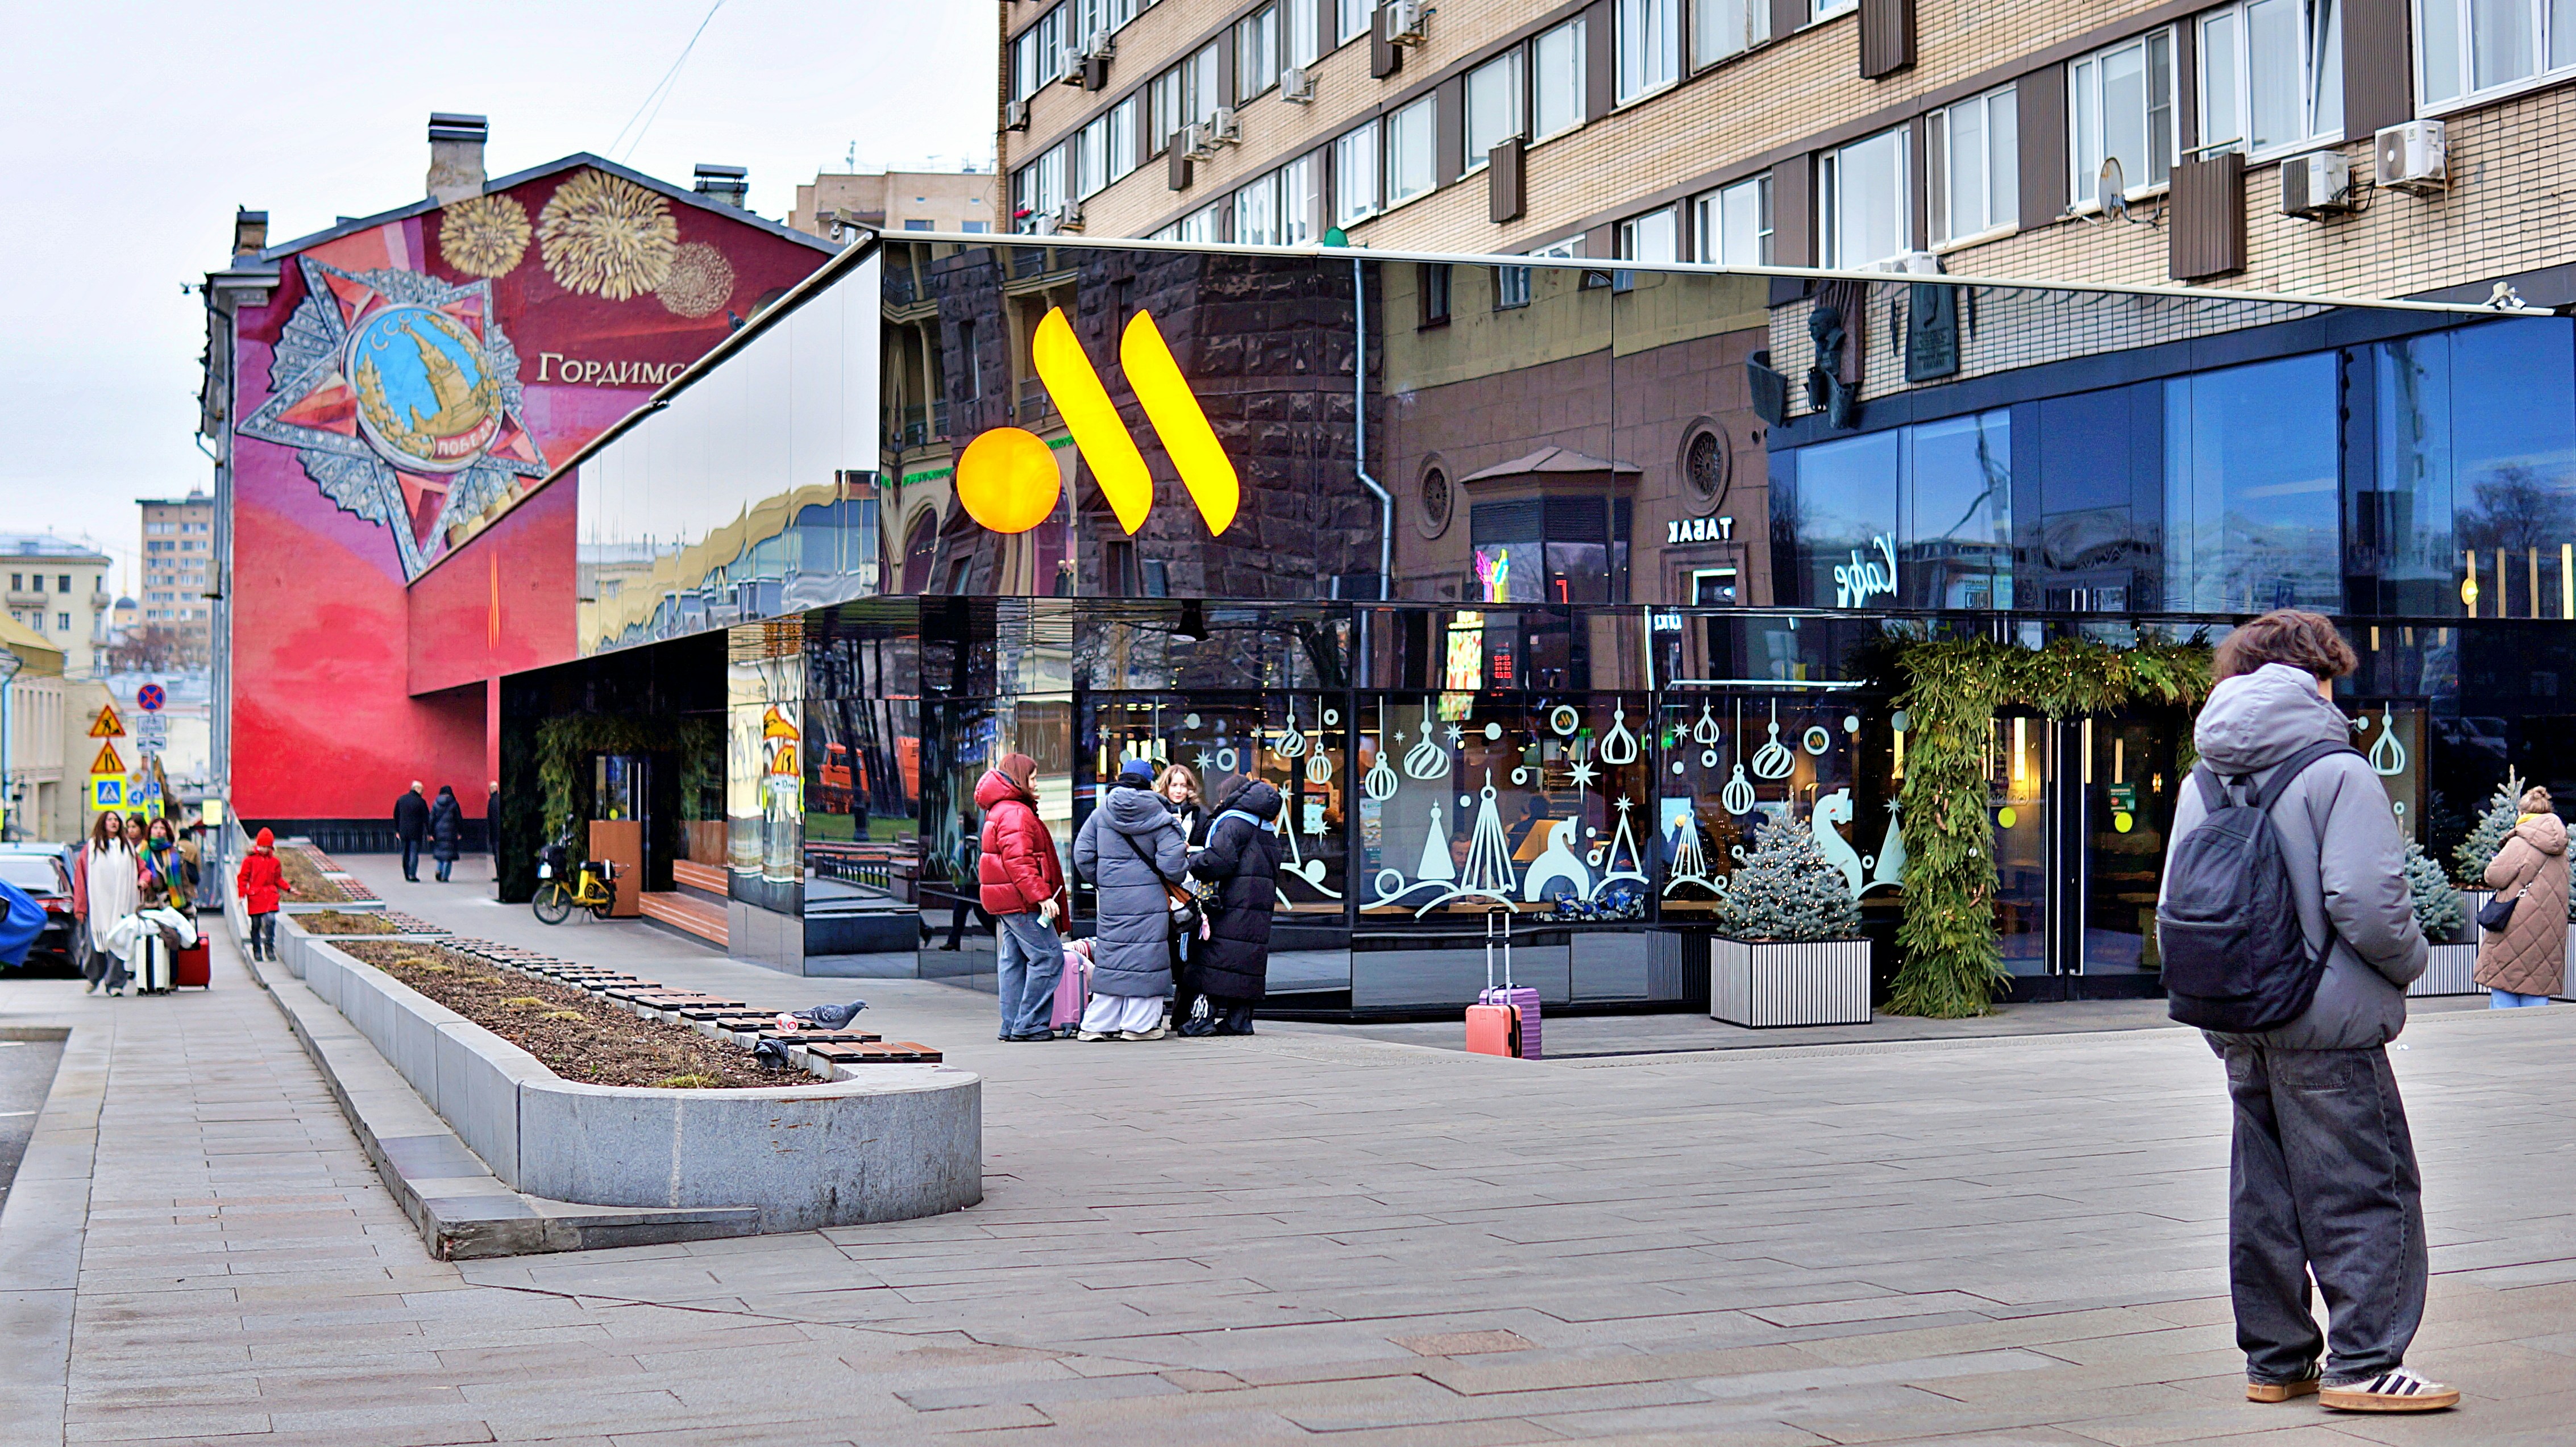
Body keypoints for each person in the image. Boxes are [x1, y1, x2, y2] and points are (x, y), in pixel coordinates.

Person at [2160, 610, 2454, 1413]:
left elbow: (2173, 904)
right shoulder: (2337, 769)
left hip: (2237, 1016)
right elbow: (2366, 901)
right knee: (2365, 1186)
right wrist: (2412, 961)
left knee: (2264, 1194)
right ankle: (2364, 1361)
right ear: (2317, 676)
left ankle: (2277, 1360)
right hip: (2324, 1022)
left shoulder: (2203, 775)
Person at [1071, 760, 1189, 1041]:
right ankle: (1139, 1026)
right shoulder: (1161, 815)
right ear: (1149, 783)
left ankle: (1097, 1024)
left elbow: (1082, 855)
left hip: (1113, 900)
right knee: (1146, 958)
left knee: (1112, 959)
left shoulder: (1101, 813)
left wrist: (1105, 882)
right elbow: (1173, 867)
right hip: (1149, 901)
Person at [975, 752, 1066, 1042]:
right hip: (1021, 901)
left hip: (1008, 899)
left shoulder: (1002, 809)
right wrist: (1042, 897)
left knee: (1013, 961)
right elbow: (1020, 863)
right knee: (1050, 958)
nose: (1036, 783)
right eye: (1033, 778)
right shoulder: (1015, 812)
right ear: (1019, 778)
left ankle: (1012, 1023)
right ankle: (1029, 1024)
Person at [1183, 778, 1284, 1036]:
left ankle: (1201, 1021)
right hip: (1256, 908)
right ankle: (1240, 1021)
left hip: (1228, 905)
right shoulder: (1267, 829)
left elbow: (1218, 862)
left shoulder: (1233, 822)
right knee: (1245, 962)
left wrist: (1192, 860)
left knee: (1213, 961)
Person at [2476, 784, 2567, 1008]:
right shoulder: (2562, 849)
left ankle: (2505, 1032)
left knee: (2504, 991)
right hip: (2549, 928)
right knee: (2537, 990)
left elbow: (2494, 877)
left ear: (2522, 813)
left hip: (2514, 926)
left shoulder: (2520, 842)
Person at [71, 811, 144, 995]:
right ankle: (94, 977)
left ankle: (115, 984)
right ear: (102, 824)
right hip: (97, 906)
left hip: (122, 905)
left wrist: (144, 879)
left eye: (116, 820)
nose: (114, 823)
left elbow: (142, 869)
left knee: (119, 944)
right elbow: (81, 877)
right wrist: (80, 906)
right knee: (94, 945)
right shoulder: (91, 848)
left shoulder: (127, 848)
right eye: (110, 820)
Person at [235, 828, 291, 963]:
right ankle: (257, 949)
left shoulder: (275, 862)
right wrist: (242, 895)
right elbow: (243, 878)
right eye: (263, 846)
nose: (265, 849)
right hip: (255, 896)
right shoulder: (250, 861)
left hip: (270, 895)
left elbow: (278, 879)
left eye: (268, 847)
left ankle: (269, 947)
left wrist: (288, 889)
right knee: (256, 924)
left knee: (270, 920)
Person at [142, 816, 194, 914]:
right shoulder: (143, 853)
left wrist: (188, 902)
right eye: (155, 828)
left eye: (162, 828)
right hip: (151, 903)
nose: (159, 831)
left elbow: (184, 880)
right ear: (150, 831)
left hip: (174, 903)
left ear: (167, 832)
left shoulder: (175, 853)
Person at [1155, 762, 1207, 845]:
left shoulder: (1200, 817)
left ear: (1190, 788)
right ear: (1166, 787)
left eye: (1183, 786)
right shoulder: (1156, 814)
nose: (1179, 791)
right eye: (1174, 785)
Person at [394, 781, 429, 882]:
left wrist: (397, 830)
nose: (422, 792)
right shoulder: (421, 802)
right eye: (422, 790)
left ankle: (406, 874)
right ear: (417, 789)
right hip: (416, 831)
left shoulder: (401, 799)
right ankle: (412, 874)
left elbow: (396, 816)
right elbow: (426, 818)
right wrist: (429, 832)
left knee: (405, 853)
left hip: (403, 831)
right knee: (414, 853)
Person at [427, 785, 463, 883]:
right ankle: (445, 876)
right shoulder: (454, 804)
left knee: (440, 852)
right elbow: (458, 819)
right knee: (448, 855)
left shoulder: (436, 803)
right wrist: (460, 832)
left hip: (438, 831)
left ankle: (439, 869)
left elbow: (431, 819)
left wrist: (430, 833)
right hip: (451, 831)